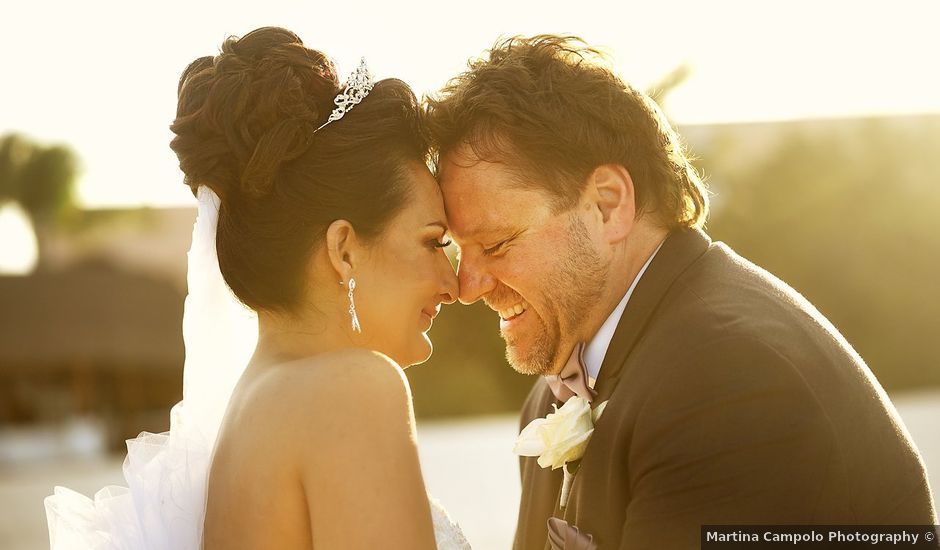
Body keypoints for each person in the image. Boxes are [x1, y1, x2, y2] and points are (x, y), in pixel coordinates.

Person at [425, 35, 938, 549]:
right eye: (457, 250)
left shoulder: (732, 380)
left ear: (608, 205)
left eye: (495, 243)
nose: (467, 287)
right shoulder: (554, 396)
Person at [45, 27, 470, 550]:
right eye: (433, 242)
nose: (456, 285)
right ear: (343, 249)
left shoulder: (251, 407)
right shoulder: (353, 388)